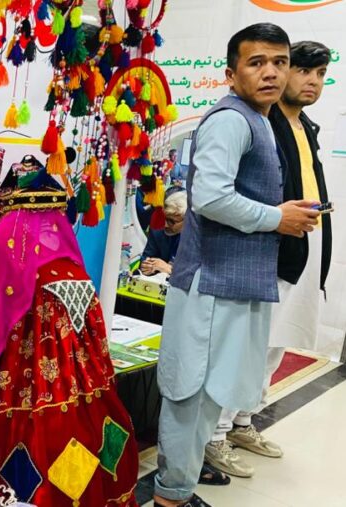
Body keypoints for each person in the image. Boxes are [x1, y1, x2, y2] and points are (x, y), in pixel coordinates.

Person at [152, 24, 320, 507]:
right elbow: (209, 198)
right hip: (211, 285)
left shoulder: (259, 120)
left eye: (280, 62)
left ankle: (178, 489)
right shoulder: (231, 120)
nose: (271, 72)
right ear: (231, 74)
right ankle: (170, 496)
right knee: (191, 396)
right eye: (256, 62)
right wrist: (277, 218)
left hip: (232, 282)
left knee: (210, 396)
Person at [206, 40, 333, 479]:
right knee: (246, 348)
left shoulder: (306, 125)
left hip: (303, 245)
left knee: (276, 345)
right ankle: (214, 436)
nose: (311, 81)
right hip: (266, 250)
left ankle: (243, 421)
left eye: (320, 74)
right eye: (303, 70)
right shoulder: (259, 122)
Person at [141, 190, 187, 276]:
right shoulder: (157, 229)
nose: (165, 225)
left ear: (187, 220)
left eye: (171, 221)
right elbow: (146, 259)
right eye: (164, 218)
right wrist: (146, 267)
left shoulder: (197, 238)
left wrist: (169, 269)